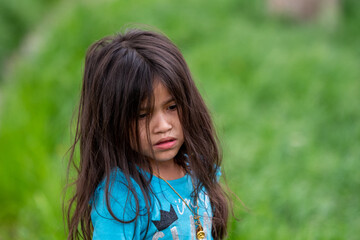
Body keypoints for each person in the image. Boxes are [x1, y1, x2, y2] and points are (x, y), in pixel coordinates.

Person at [66, 28, 230, 240]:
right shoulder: (121, 196)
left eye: (172, 107)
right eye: (142, 115)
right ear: (113, 121)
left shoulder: (196, 166)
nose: (162, 126)